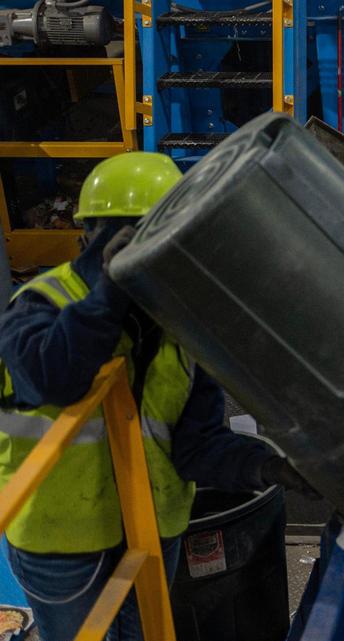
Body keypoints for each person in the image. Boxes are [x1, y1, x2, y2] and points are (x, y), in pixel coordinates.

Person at [0, 153, 319, 641]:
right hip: (61, 542)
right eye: (133, 235)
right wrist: (109, 291)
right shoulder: (42, 304)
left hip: (152, 534)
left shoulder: (175, 326)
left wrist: (272, 468)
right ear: (92, 236)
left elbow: (197, 447)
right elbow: (57, 377)